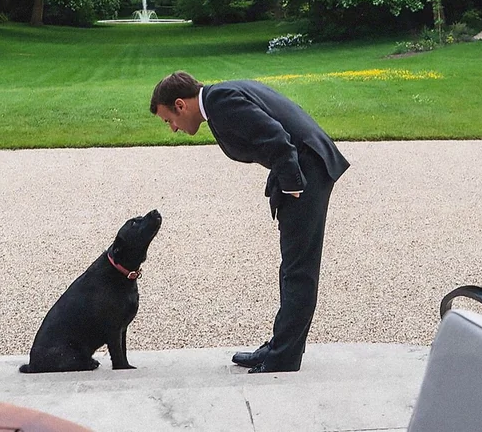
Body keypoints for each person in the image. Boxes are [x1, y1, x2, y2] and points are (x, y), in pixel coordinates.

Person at [149, 71, 350, 373]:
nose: (173, 128)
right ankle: (280, 345)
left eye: (169, 120)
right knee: (292, 266)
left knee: (299, 269)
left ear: (180, 104)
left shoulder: (221, 102)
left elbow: (277, 138)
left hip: (308, 170)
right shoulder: (221, 96)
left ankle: (284, 356)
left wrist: (293, 186)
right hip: (304, 167)